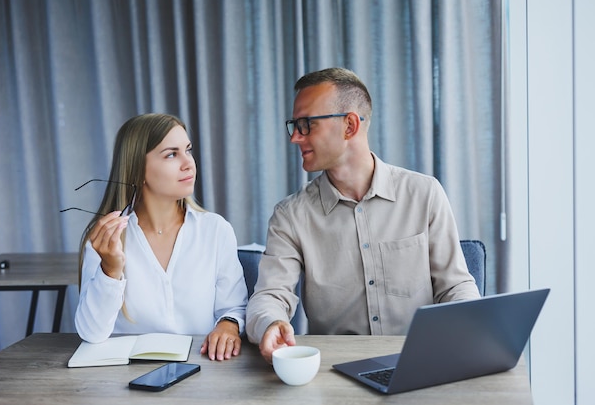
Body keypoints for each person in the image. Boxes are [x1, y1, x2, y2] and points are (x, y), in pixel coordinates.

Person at [246, 68, 480, 363]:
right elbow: (269, 296)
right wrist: (271, 323)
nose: (295, 137)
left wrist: (469, 327)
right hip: (337, 374)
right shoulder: (290, 216)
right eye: (294, 125)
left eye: (306, 124)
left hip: (420, 364)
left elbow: (456, 286)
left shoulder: (424, 193)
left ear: (350, 126)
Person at [74, 113, 248, 361]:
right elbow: (91, 333)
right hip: (123, 381)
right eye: (171, 154)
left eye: (188, 150)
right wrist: (110, 270)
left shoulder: (216, 230)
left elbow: (233, 308)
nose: (188, 163)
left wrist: (228, 324)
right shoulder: (107, 238)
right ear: (138, 169)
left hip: (203, 370)